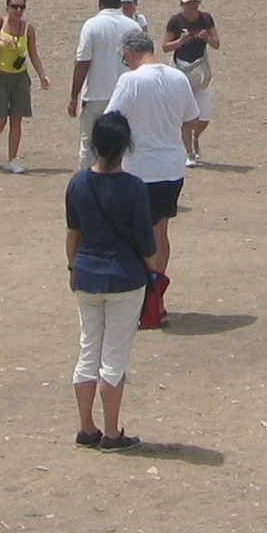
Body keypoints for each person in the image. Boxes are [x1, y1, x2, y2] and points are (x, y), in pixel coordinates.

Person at [64, 111, 161, 451]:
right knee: (114, 359)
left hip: (87, 276)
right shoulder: (133, 188)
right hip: (124, 279)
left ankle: (85, 426)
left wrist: (72, 268)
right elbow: (146, 242)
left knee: (88, 351)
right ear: (126, 146)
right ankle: (111, 432)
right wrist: (155, 272)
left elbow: (72, 234)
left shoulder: (77, 183)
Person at [104, 30, 199, 329]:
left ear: (129, 54)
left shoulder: (130, 81)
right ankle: (156, 299)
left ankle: (142, 301)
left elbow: (110, 121)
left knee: (133, 236)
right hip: (171, 166)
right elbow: (191, 118)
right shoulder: (177, 78)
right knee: (160, 233)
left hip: (139, 169)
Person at [0, 0, 49, 174]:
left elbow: (33, 53)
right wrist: (0, 38)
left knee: (17, 120)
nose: (18, 11)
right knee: (0, 119)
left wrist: (42, 75)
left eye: (21, 7)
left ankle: (12, 159)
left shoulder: (28, 29)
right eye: (15, 7)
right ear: (8, 7)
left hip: (20, 78)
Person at [67, 0, 131, 171]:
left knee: (89, 145)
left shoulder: (92, 26)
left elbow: (82, 62)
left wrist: (73, 96)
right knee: (122, 144)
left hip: (95, 95)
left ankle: (89, 187)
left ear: (100, 3)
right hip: (123, 96)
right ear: (119, 3)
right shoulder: (132, 26)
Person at [163, 0, 220, 167]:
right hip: (179, 68)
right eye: (189, 2)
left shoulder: (206, 19)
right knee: (185, 115)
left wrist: (207, 39)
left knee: (204, 117)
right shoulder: (175, 21)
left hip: (199, 69)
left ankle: (194, 139)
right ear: (182, 3)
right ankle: (189, 153)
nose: (193, 5)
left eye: (195, 2)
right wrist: (180, 42)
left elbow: (217, 43)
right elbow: (165, 46)